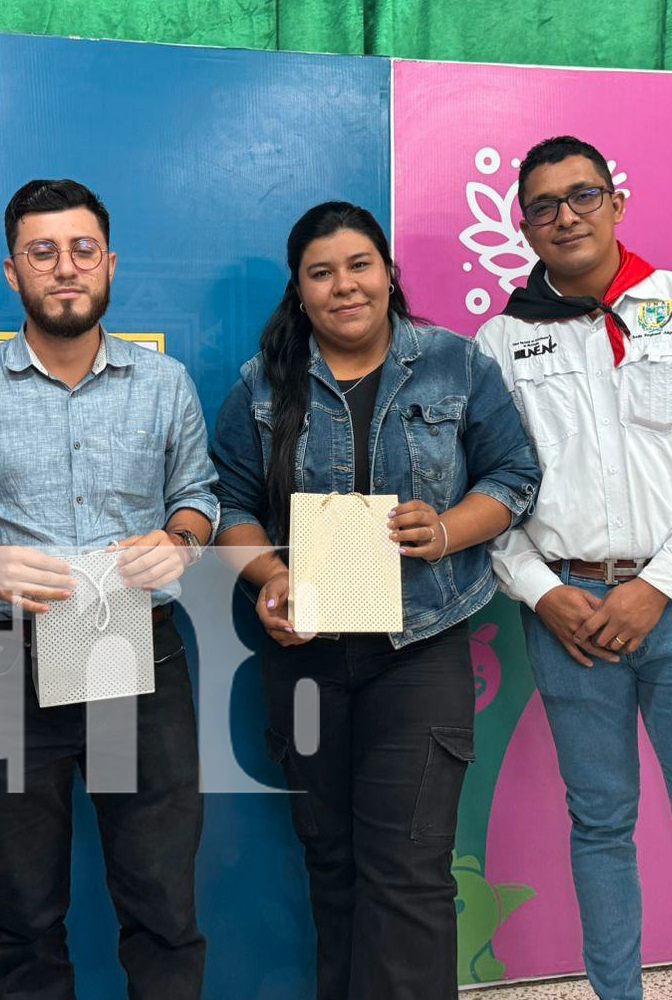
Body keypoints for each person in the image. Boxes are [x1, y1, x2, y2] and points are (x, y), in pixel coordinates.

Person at [211, 201, 540, 1000]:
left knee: (411, 867)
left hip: (419, 651)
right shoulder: (263, 383)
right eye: (321, 273)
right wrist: (269, 580)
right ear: (300, 291)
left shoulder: (456, 365)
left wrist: (451, 527)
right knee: (331, 863)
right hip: (307, 658)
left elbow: (515, 477)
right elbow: (229, 506)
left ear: (388, 273)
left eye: (359, 265)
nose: (344, 286)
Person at [0, 178, 216, 1000]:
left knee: (160, 895)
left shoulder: (165, 384)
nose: (65, 268)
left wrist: (181, 539)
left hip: (128, 645)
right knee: (24, 905)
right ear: (13, 272)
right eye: (43, 252)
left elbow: (200, 496)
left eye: (82, 250)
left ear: (110, 262)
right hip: (8, 662)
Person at [476, 135, 672, 1000]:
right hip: (565, 616)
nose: (566, 215)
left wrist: (657, 585)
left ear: (617, 202)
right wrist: (543, 591)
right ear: (522, 225)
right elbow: (485, 488)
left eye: (583, 195)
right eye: (543, 205)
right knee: (600, 826)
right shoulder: (496, 343)